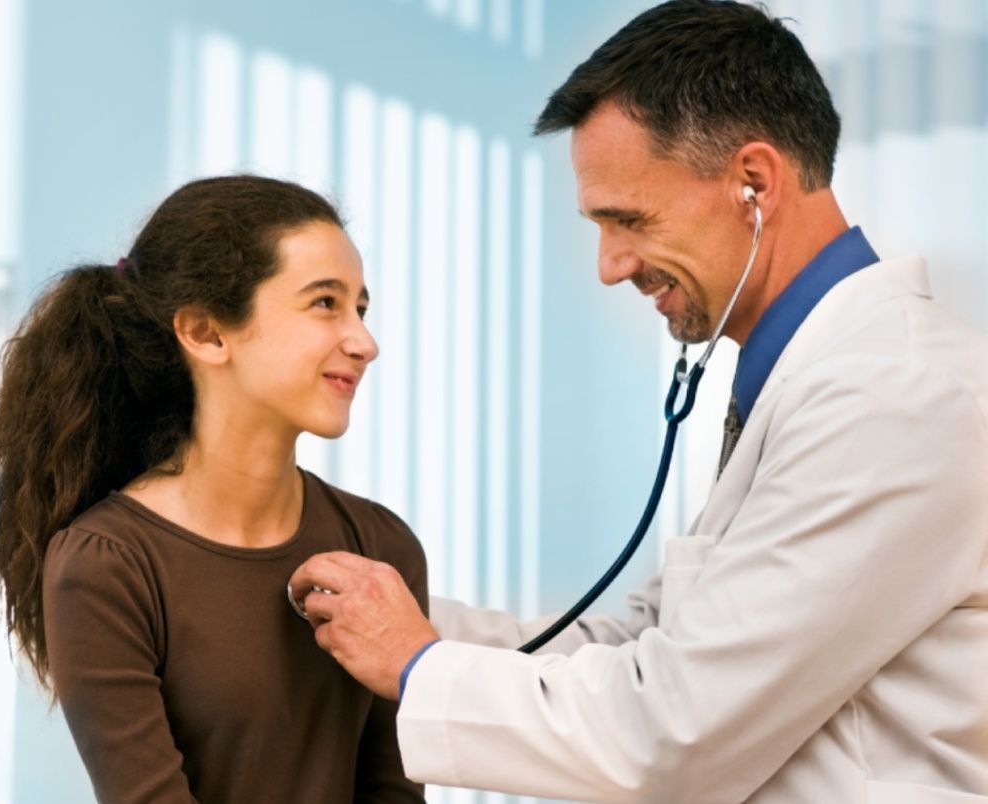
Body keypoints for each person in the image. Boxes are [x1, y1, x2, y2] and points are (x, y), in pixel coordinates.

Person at [289, 1, 988, 801]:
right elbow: (637, 650)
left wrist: (415, 661)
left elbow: (670, 733)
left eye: (629, 220)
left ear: (753, 184)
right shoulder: (816, 383)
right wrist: (390, 623)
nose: (610, 266)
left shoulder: (891, 394)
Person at [0, 175, 427, 803]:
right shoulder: (107, 564)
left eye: (360, 307)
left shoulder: (381, 545)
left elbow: (395, 795)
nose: (364, 342)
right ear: (205, 332)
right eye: (325, 303)